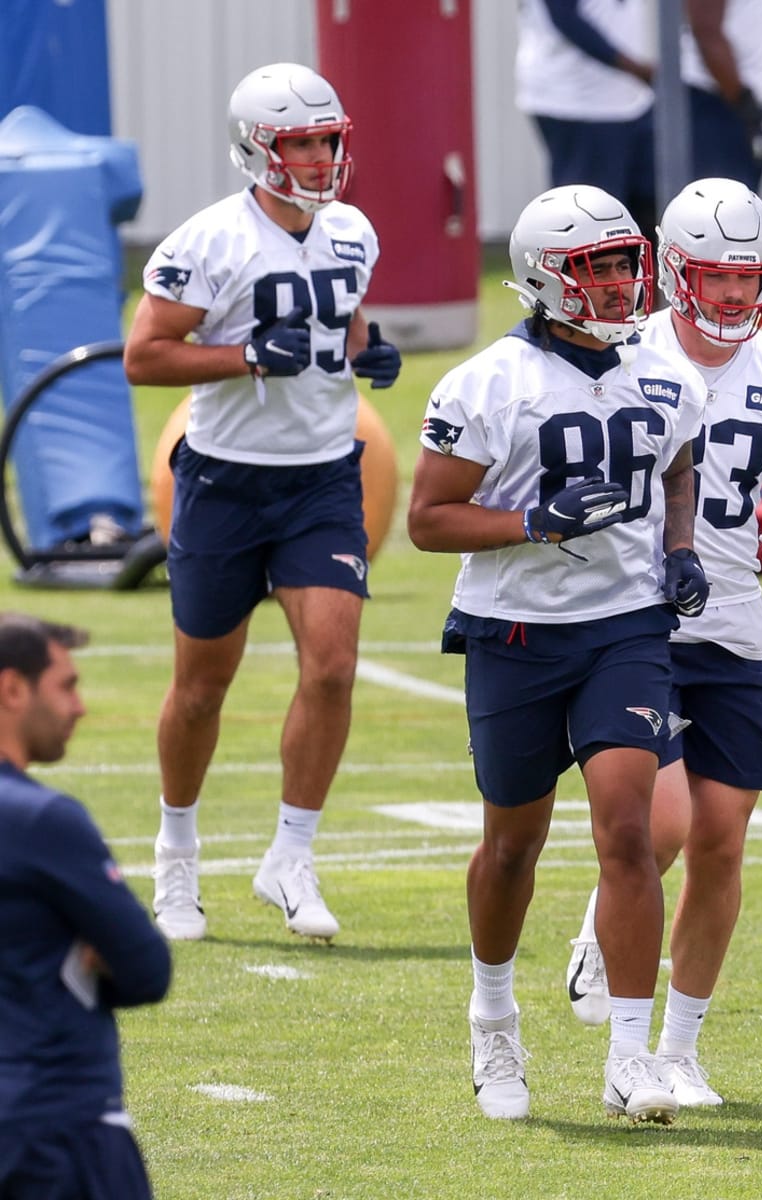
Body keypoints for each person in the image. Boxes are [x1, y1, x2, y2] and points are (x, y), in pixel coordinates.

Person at [407, 183, 710, 1125]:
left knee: (629, 829)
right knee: (513, 844)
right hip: (515, 632)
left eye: (626, 264)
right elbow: (427, 520)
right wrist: (532, 522)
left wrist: (681, 549)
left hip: (624, 625)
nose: (620, 284)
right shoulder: (485, 384)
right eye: (597, 267)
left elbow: (678, 465)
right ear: (545, 277)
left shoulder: (665, 374)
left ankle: (629, 1055)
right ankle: (492, 1018)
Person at [563, 177, 762, 1106]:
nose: (734, 295)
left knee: (723, 839)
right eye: (716, 276)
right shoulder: (621, 353)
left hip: (732, 624)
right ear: (674, 271)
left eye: (750, 277)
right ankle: (606, 966)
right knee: (666, 820)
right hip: (630, 617)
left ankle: (680, 1051)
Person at [123, 62, 402, 943]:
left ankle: (291, 855)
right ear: (258, 150)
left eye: (329, 141)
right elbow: (146, 356)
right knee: (202, 687)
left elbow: (346, 326)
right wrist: (243, 357)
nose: (321, 158)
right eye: (301, 144)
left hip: (323, 477)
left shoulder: (351, 231)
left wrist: (370, 351)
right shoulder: (208, 240)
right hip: (224, 480)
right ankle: (175, 852)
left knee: (331, 666)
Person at [0, 614, 172, 1199]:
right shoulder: (42, 820)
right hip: (55, 1134)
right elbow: (149, 969)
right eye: (66, 686)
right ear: (12, 689)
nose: (79, 708)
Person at [515, 0, 658, 241]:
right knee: (588, 220)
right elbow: (565, 17)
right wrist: (634, 68)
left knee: (645, 211)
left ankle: (641, 279)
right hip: (576, 101)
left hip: (630, 98)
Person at [683, 0, 762, 193]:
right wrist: (743, 101)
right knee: (722, 208)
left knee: (753, 208)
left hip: (758, 105)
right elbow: (705, 32)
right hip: (719, 102)